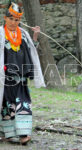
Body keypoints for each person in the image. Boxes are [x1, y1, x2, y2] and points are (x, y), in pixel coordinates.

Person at [0, 2, 45, 144]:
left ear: (20, 21)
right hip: (4, 79)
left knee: (23, 104)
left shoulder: (23, 34)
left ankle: (24, 134)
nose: (13, 22)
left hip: (21, 78)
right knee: (6, 106)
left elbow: (31, 51)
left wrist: (35, 36)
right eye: (11, 19)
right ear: (5, 18)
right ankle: (6, 134)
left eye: (17, 20)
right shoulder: (1, 34)